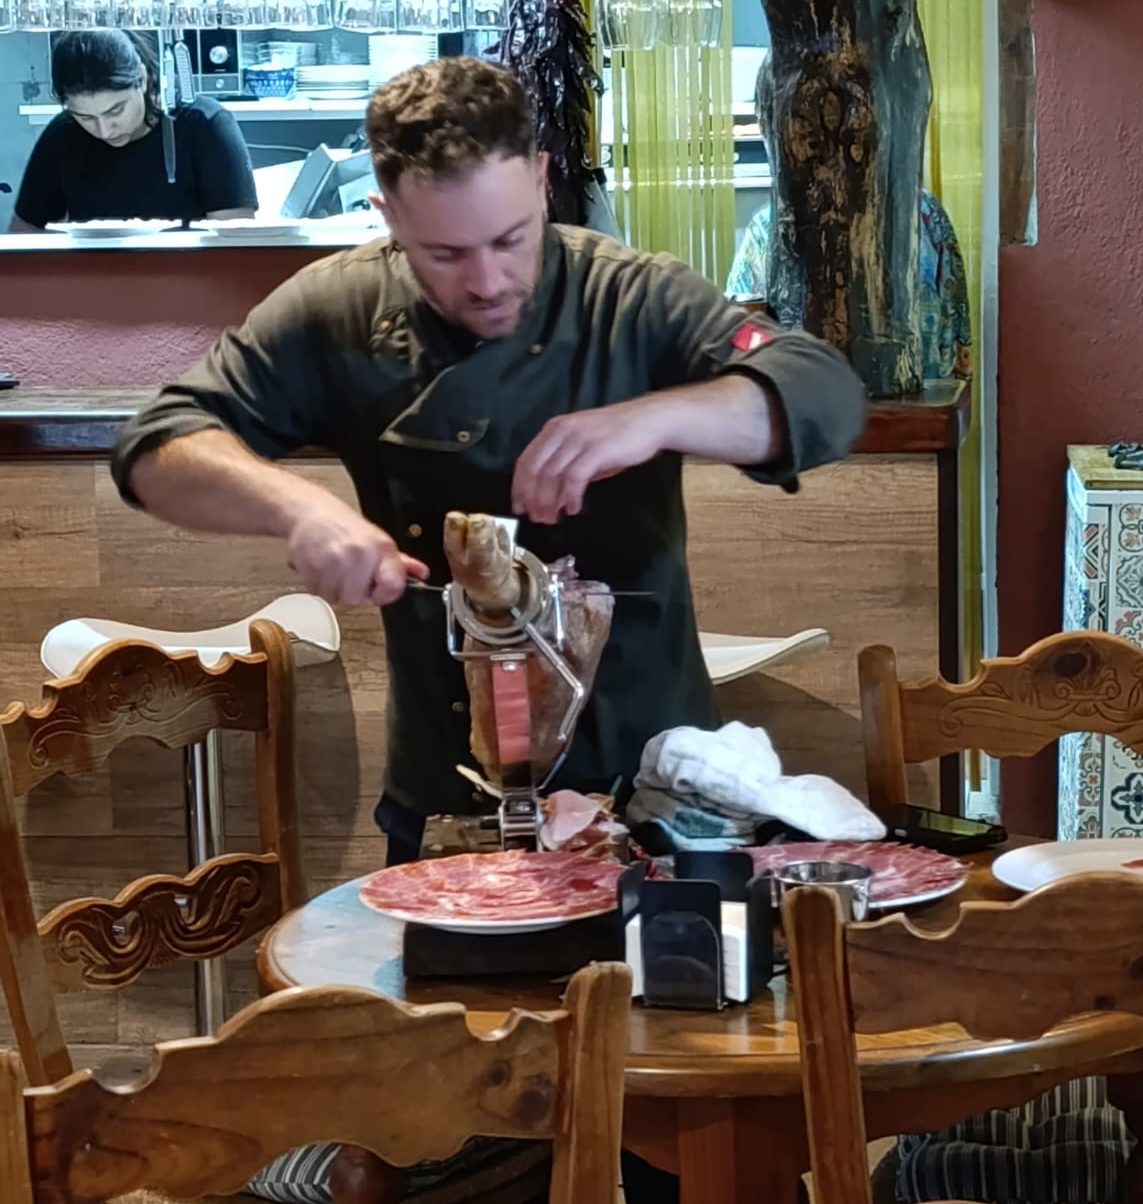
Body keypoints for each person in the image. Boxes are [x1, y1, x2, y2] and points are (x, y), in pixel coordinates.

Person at [110, 56, 865, 1203]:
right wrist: (300, 510)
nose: (487, 279)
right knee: (453, 1116)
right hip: (451, 802)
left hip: (660, 800)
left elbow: (820, 391)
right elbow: (160, 442)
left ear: (543, 180)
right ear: (386, 217)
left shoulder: (631, 297)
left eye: (510, 240)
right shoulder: (336, 310)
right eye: (445, 254)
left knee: (682, 1136)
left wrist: (652, 418)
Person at [11, 29, 257, 232]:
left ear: (142, 78)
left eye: (115, 111)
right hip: (93, 274)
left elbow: (235, 245)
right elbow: (24, 236)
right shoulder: (63, 134)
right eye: (85, 117)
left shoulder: (204, 125)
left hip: (190, 274)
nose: (104, 130)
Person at [726, 191, 973, 382]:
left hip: (808, 401)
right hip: (909, 402)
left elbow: (740, 334)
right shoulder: (924, 212)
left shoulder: (771, 223)